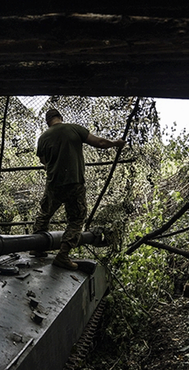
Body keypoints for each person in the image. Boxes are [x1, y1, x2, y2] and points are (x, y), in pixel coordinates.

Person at [33, 109, 126, 270]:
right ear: (61, 118)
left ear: (47, 122)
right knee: (76, 219)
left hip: (53, 183)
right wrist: (116, 143)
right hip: (74, 182)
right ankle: (62, 255)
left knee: (44, 215)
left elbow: (43, 161)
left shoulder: (43, 138)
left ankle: (36, 247)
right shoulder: (74, 129)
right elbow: (100, 143)